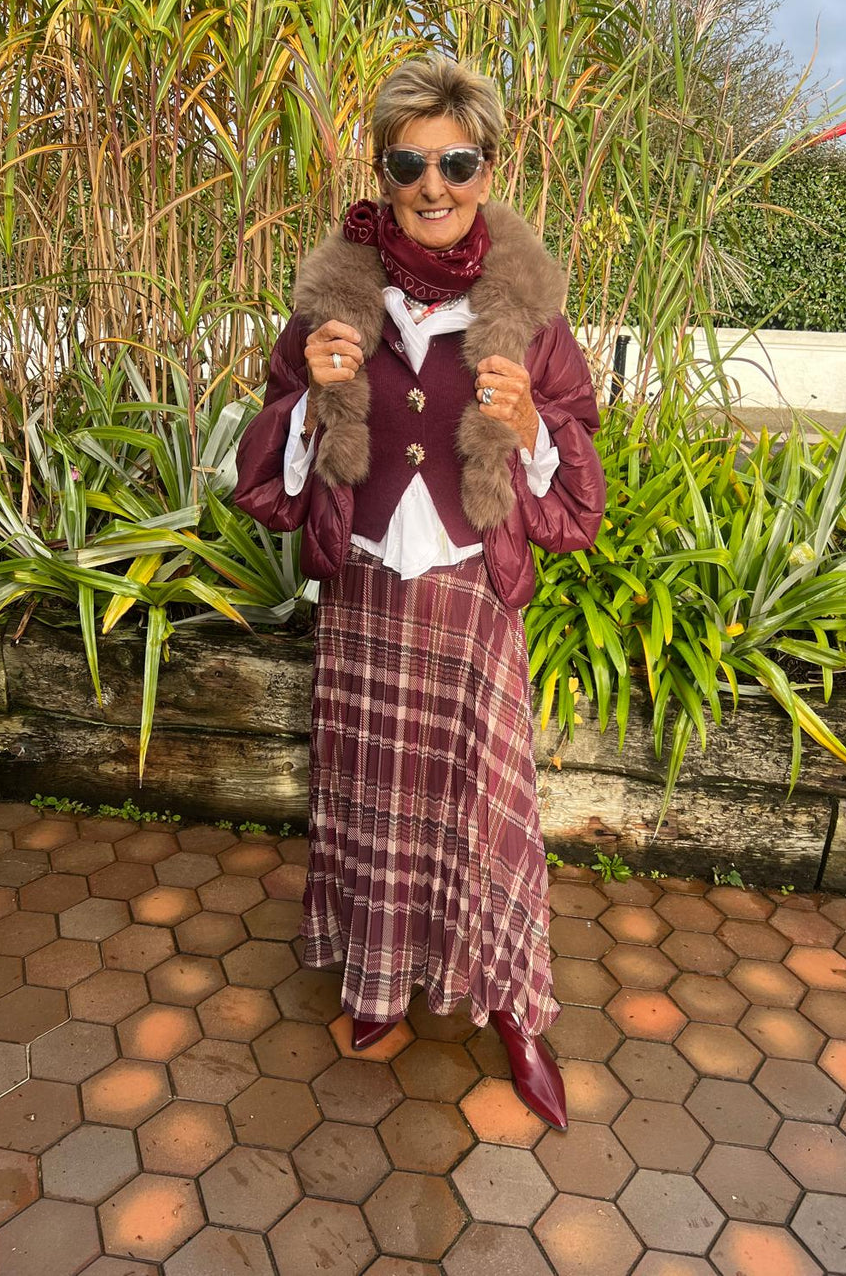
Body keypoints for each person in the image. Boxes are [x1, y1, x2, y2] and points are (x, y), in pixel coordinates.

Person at [233, 55, 605, 1132]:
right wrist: (314, 400)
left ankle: (513, 1006)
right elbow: (265, 462)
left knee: (485, 812)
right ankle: (380, 982)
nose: (433, 185)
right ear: (383, 172)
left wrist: (532, 429)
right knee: (370, 799)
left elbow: (576, 479)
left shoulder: (529, 314)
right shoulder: (333, 305)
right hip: (366, 593)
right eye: (409, 164)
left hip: (468, 593)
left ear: (488, 170)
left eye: (456, 162)